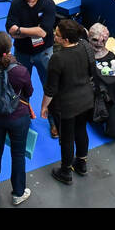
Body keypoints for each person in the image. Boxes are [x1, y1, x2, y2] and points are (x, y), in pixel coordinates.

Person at [0, 30, 34, 206]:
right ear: (10, 46)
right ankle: (18, 193)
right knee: (18, 154)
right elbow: (29, 92)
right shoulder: (20, 71)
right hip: (17, 117)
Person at [43, 18, 96, 185]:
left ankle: (65, 171)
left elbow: (50, 89)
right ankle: (81, 163)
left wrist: (44, 106)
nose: (54, 36)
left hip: (67, 106)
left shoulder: (57, 59)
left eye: (57, 35)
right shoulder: (85, 47)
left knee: (66, 138)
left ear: (65, 40)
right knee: (81, 130)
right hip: (86, 100)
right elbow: (92, 71)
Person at [7, 0, 57, 108]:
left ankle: (53, 121)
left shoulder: (48, 4)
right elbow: (10, 30)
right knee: (20, 86)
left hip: (44, 52)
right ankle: (24, 116)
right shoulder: (16, 3)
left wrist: (19, 30)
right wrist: (33, 31)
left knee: (50, 86)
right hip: (22, 53)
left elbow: (42, 33)